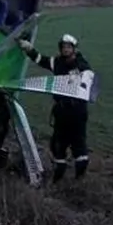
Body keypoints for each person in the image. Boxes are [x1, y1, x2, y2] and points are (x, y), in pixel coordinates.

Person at [17, 33, 93, 182]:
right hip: (61, 111)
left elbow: (87, 79)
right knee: (58, 144)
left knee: (79, 144)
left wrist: (74, 71)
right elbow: (41, 60)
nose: (65, 50)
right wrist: (28, 49)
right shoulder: (57, 62)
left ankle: (79, 180)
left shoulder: (82, 64)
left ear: (74, 49)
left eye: (68, 47)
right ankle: (58, 178)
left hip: (77, 111)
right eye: (63, 47)